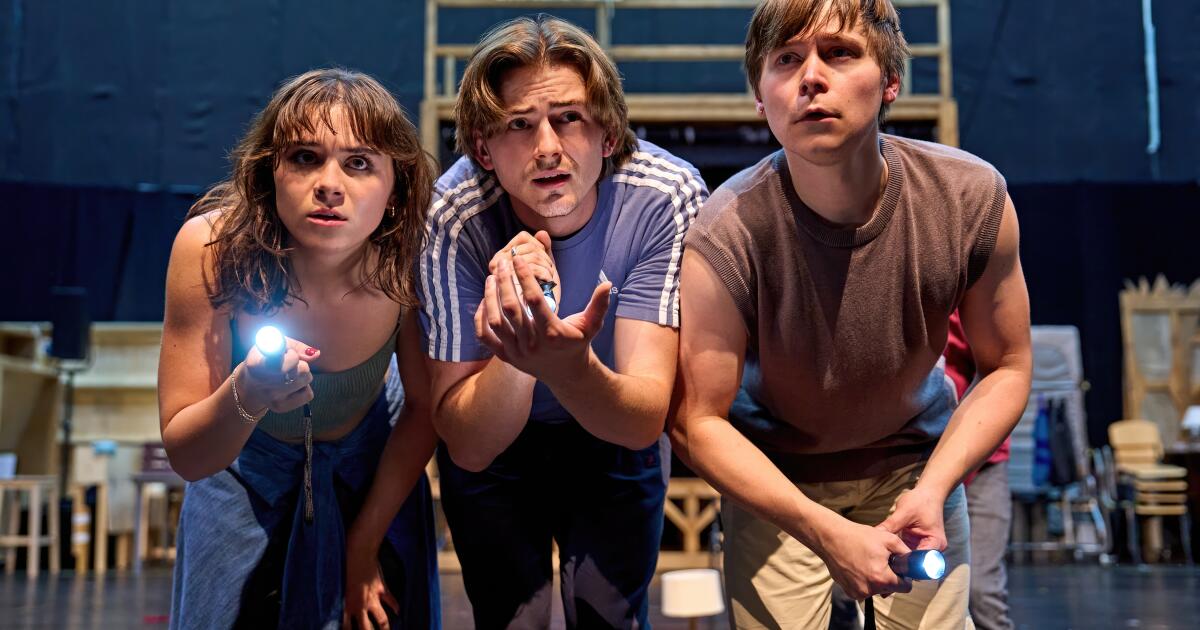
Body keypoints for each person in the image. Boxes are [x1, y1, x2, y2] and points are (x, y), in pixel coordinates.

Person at [669, 0, 1032, 628]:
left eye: (839, 53)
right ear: (760, 95)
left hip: (915, 467)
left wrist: (934, 487)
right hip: (777, 481)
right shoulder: (725, 231)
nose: (811, 77)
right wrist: (822, 530)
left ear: (890, 81)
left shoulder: (969, 198)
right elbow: (697, 420)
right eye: (787, 60)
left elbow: (1008, 366)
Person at [418, 15, 707, 628]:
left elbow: (641, 421)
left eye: (569, 118)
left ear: (608, 133)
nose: (547, 147)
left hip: (609, 423)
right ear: (482, 149)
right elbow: (468, 446)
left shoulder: (665, 194)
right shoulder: (454, 212)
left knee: (608, 617)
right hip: (499, 432)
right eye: (518, 125)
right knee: (511, 619)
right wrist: (523, 347)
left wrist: (568, 365)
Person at [158, 68, 440, 629]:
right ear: (270, 173)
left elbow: (424, 409)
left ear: (396, 189)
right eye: (306, 157)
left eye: (359, 163)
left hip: (374, 477)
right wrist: (247, 393)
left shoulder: (413, 256)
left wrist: (364, 544)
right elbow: (190, 457)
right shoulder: (212, 248)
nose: (330, 184)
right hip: (243, 477)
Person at [946, 311, 1015, 630]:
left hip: (982, 462)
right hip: (914, 460)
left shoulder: (971, 295)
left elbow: (1004, 367)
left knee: (981, 590)